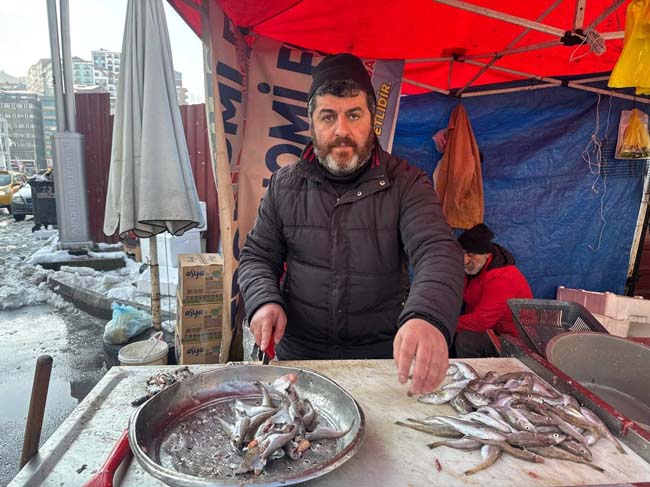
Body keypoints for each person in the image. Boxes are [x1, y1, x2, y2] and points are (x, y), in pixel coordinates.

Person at [238, 53, 464, 394]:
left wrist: (428, 316)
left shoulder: (407, 183)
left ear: (372, 119)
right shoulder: (284, 185)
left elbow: (437, 250)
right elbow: (257, 256)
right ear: (312, 122)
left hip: (382, 358)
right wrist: (263, 299)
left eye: (354, 115)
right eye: (328, 116)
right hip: (301, 356)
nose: (342, 131)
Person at [453, 223, 533, 358]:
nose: (464, 260)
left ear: (486, 255)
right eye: (462, 254)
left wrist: (447, 324)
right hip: (491, 331)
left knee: (466, 340)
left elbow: (482, 321)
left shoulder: (503, 278)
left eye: (471, 255)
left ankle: (475, 371)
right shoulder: (473, 271)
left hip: (513, 339)